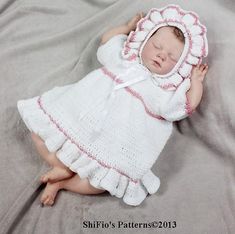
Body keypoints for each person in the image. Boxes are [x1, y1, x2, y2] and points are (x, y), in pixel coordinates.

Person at [17, 5, 209, 206]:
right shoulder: (124, 58)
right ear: (144, 40)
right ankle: (61, 167)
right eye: (158, 46)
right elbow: (106, 40)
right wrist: (126, 28)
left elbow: (184, 106)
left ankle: (64, 184)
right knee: (38, 131)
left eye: (172, 58)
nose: (161, 55)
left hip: (114, 142)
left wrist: (195, 83)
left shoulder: (162, 91)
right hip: (81, 115)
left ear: (180, 67)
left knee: (100, 183)